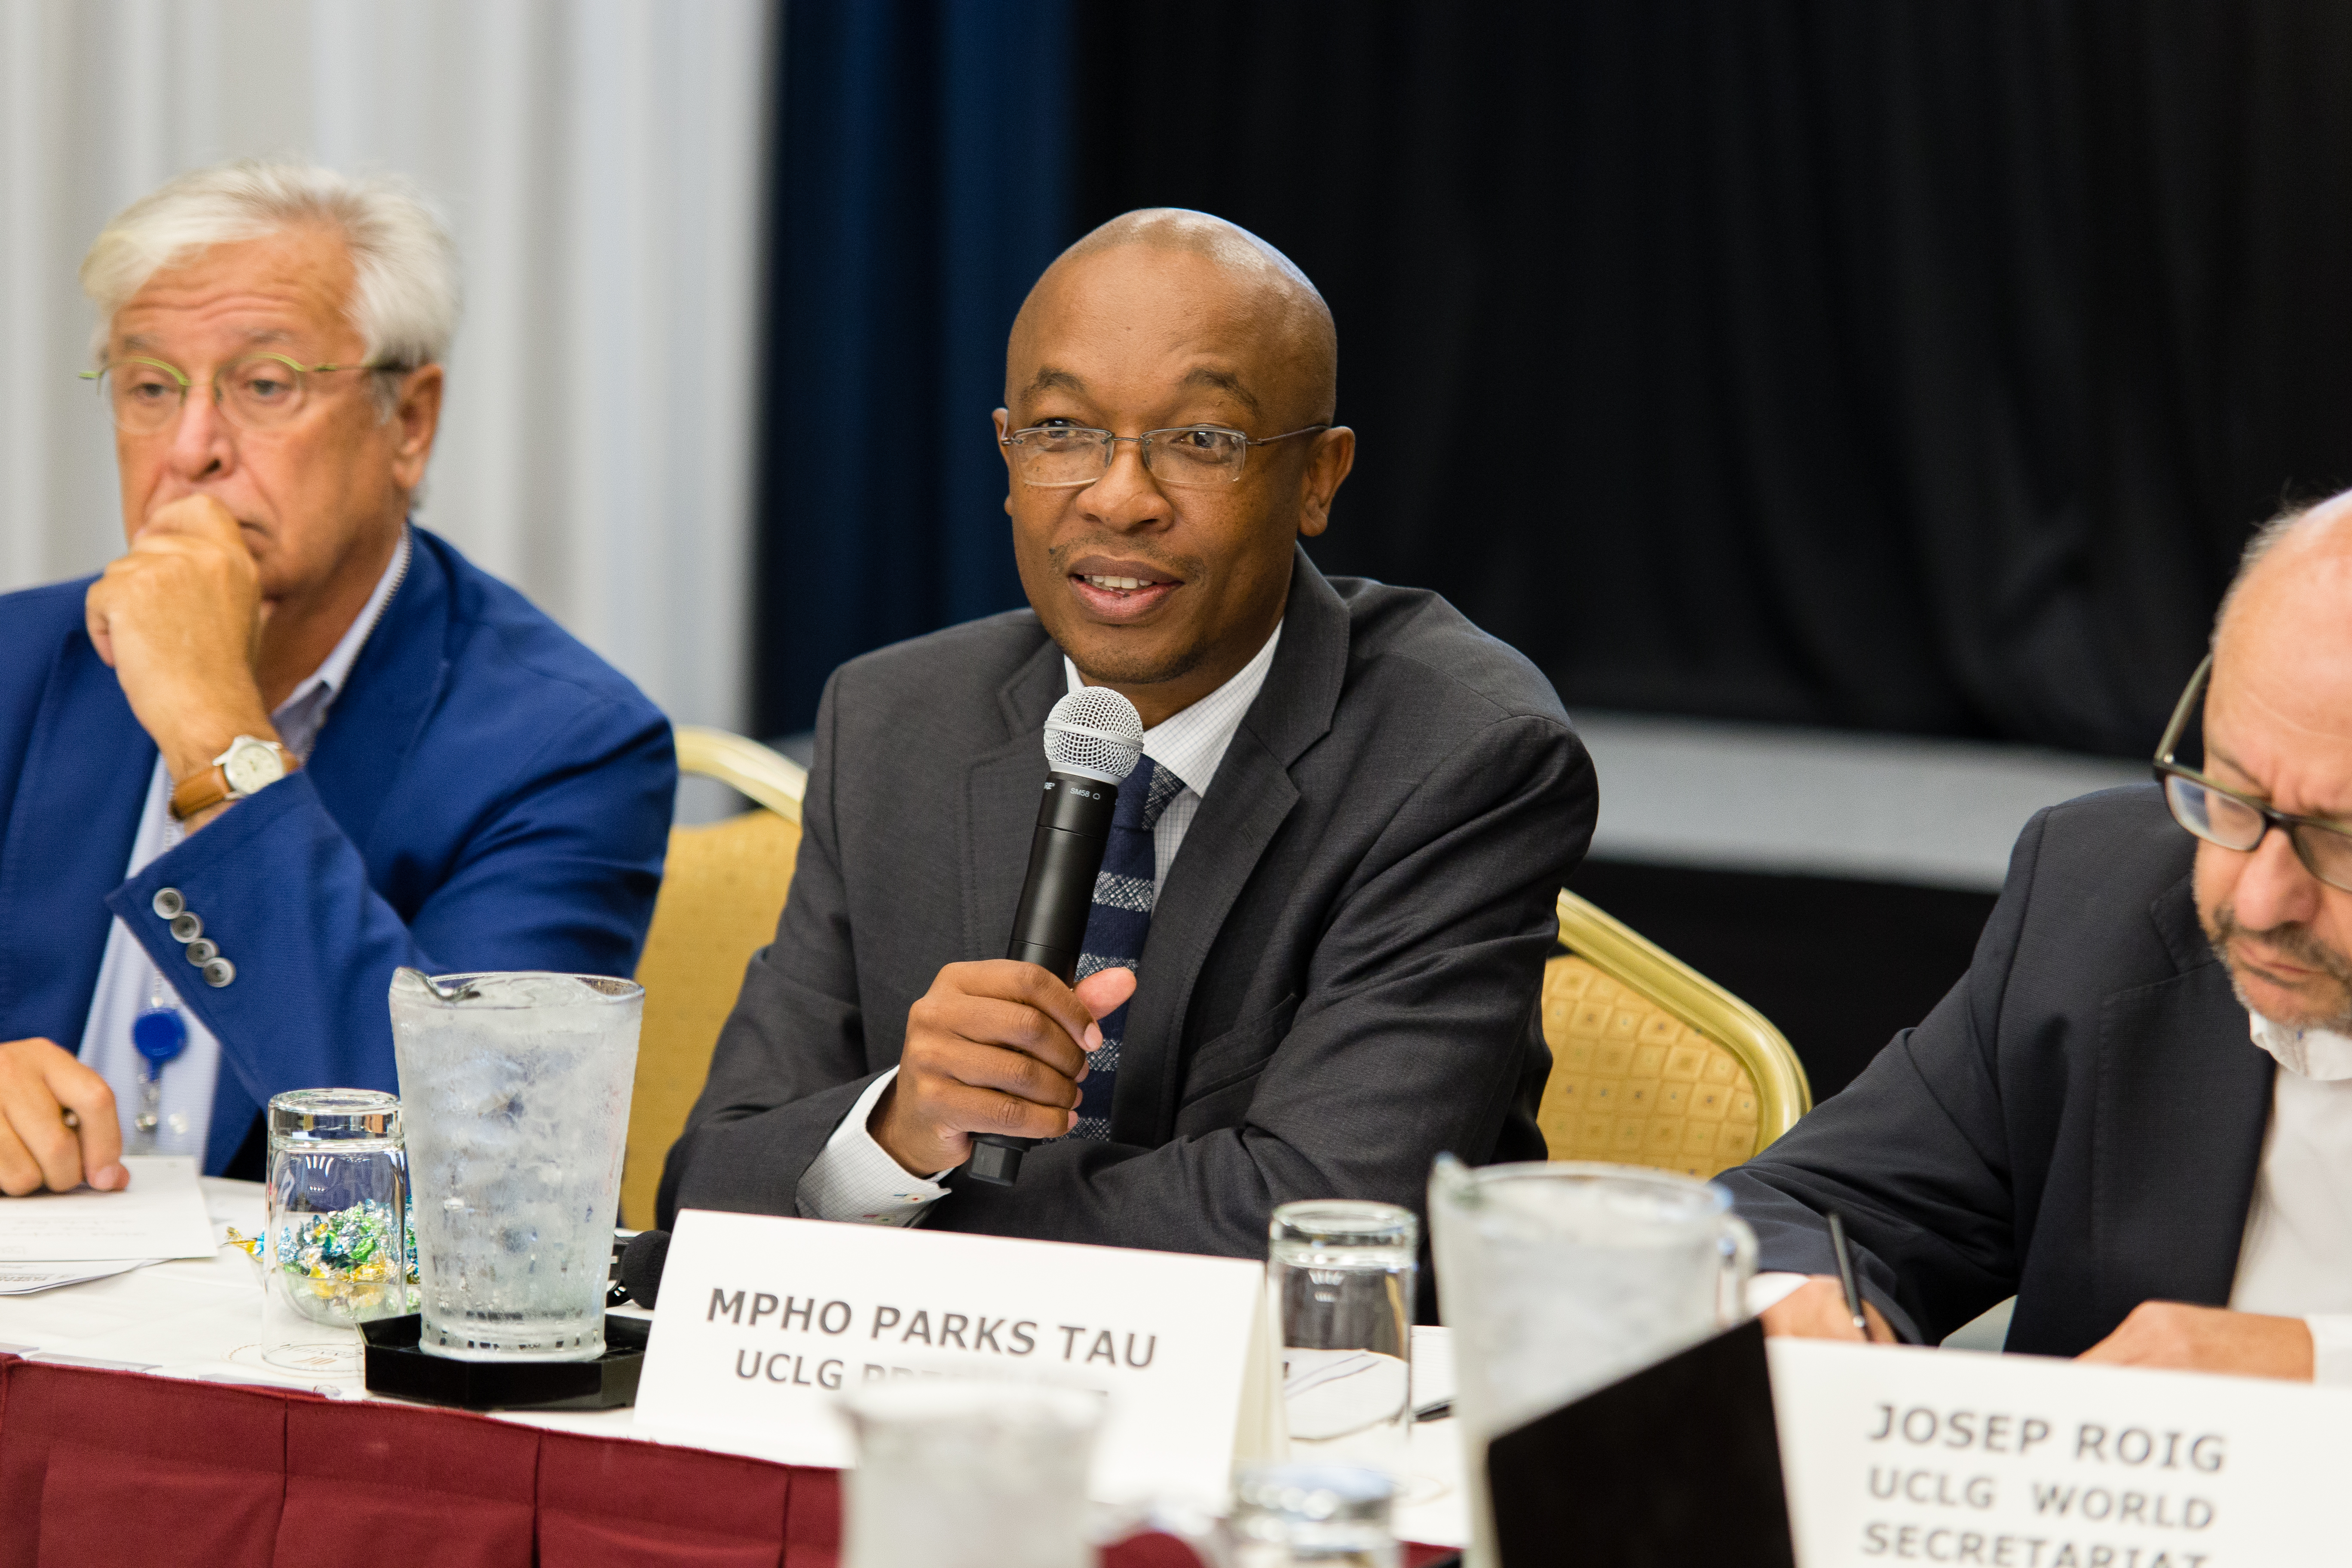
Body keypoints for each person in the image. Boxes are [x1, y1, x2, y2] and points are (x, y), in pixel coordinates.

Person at [660, 209, 1593, 1254]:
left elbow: (1318, 1219)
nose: (1119, 499)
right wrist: (895, 1131)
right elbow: (709, 1187)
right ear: (1008, 458)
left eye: (1201, 441)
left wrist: (911, 1203)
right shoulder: (895, 722)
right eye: (1064, 433)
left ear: (1319, 477)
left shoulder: (1458, 756)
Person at [0, 161, 674, 1194]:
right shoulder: (18, 661)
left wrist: (214, 732)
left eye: (264, 386)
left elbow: (469, 1168)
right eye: (149, 388)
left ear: (409, 423)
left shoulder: (564, 745)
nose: (190, 450)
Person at [1725, 491, 2352, 1381]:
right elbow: (1812, 1207)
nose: (2257, 902)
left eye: (2341, 842)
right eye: (2231, 792)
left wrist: (2315, 1368)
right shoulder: (2105, 895)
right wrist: (1806, 1313)